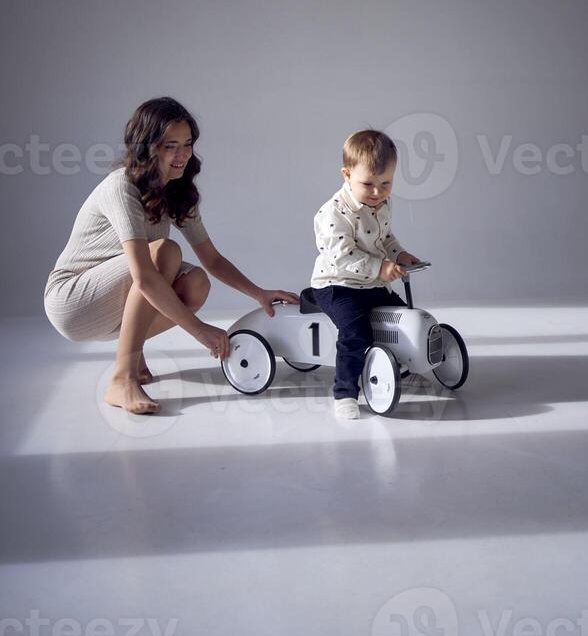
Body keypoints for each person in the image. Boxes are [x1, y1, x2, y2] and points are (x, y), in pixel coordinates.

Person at [43, 97, 299, 416]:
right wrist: (199, 330)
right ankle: (121, 378)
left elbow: (212, 259)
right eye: (170, 146)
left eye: (187, 144)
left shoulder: (177, 191)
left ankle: (132, 356)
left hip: (111, 295)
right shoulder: (122, 187)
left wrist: (259, 293)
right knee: (164, 252)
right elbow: (143, 275)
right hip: (72, 301)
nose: (182, 156)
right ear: (147, 148)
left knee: (195, 283)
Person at [309, 129, 421, 419]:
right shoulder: (333, 213)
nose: (377, 192)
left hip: (371, 282)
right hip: (338, 284)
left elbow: (385, 237)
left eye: (386, 183)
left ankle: (399, 365)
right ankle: (345, 392)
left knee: (400, 319)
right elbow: (342, 255)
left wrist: (399, 255)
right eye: (368, 184)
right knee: (355, 332)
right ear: (346, 174)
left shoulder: (382, 203)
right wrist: (380, 268)